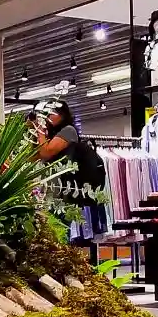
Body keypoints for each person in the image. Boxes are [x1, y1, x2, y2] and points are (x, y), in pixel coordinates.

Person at [33, 100, 108, 237]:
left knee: (58, 235)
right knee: (47, 236)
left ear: (63, 115)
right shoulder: (51, 134)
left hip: (63, 195)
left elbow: (46, 152)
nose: (48, 116)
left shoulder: (68, 131)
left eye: (52, 113)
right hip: (49, 194)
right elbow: (33, 157)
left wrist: (40, 130)